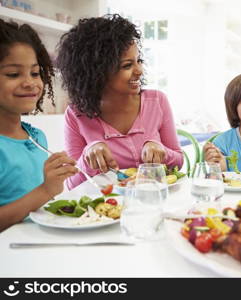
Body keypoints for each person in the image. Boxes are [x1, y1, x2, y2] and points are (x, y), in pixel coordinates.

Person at [56, 14, 183, 189]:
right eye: (127, 65)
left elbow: (178, 161)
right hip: (108, 209)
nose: (139, 71)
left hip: (154, 201)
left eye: (139, 61)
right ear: (97, 72)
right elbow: (72, 185)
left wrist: (162, 151)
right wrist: (88, 159)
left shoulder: (157, 101)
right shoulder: (76, 114)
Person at [0, 20, 78, 232]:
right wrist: (46, 190)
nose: (30, 82)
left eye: (35, 73)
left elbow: (38, 208)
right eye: (13, 74)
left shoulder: (36, 136)